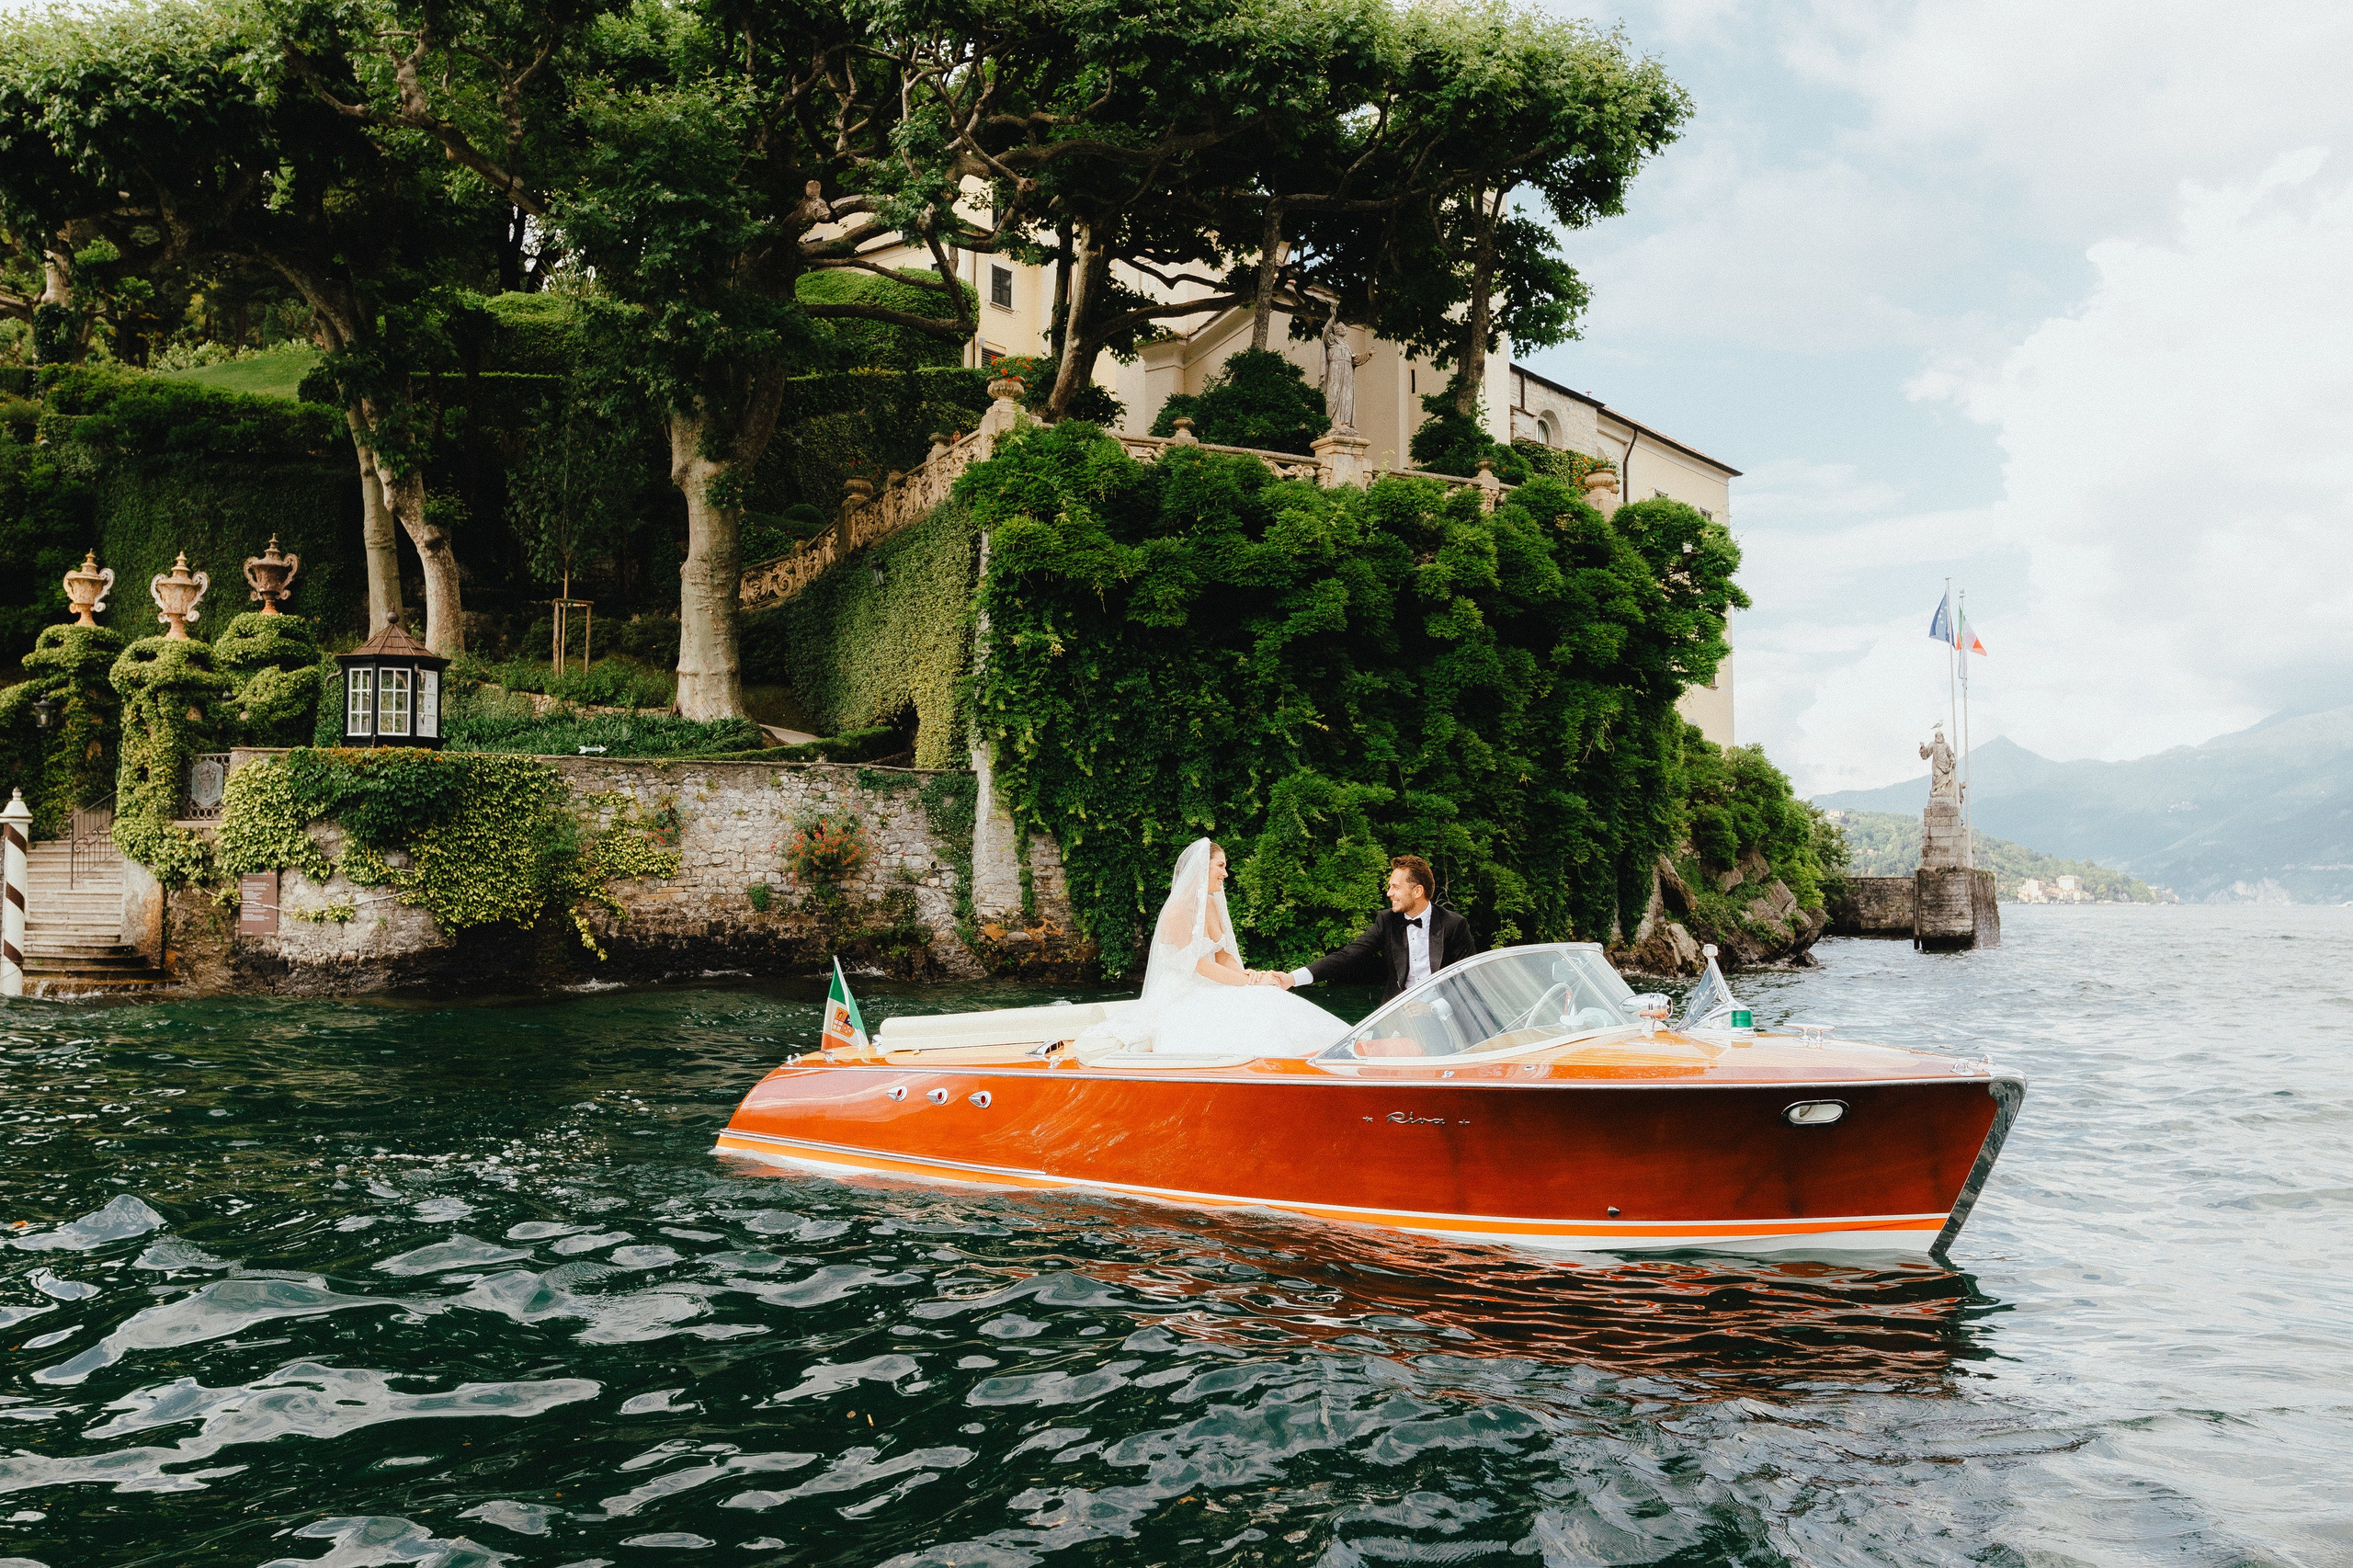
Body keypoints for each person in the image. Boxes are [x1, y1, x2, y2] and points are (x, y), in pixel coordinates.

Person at [1074, 838, 1346, 1058]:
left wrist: (1248, 975)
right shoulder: (1178, 911)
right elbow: (1200, 966)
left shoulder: (1212, 904)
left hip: (1213, 981)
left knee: (1267, 996)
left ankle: (1321, 1050)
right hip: (1184, 990)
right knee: (1253, 999)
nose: (1226, 874)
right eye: (1221, 866)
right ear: (1201, 868)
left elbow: (1223, 954)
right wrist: (1246, 983)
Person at [1277, 854, 1478, 1005]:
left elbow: (1468, 981)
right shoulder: (1387, 921)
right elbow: (1347, 956)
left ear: (1417, 891)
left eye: (1396, 887)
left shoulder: (1454, 925)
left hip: (1444, 1013)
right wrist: (1291, 978)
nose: (1389, 893)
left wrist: (1434, 1008)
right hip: (1397, 1013)